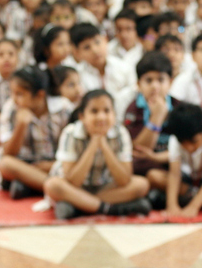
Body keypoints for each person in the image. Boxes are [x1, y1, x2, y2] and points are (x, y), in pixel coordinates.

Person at [43, 89, 152, 220]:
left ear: (114, 114)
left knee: (141, 185)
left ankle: (80, 206)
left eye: (107, 111)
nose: (101, 117)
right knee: (53, 185)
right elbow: (73, 181)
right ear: (82, 116)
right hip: (76, 188)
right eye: (94, 111)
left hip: (105, 188)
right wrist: (93, 144)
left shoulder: (120, 133)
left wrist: (104, 146)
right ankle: (110, 209)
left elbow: (124, 180)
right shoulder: (70, 133)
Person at [0, 66, 75, 199]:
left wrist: (50, 165)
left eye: (20, 94)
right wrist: (21, 125)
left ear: (40, 95)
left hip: (55, 164)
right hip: (25, 165)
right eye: (12, 93)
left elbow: (71, 148)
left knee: (72, 169)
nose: (14, 99)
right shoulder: (11, 108)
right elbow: (8, 153)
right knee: (5, 164)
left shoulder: (63, 108)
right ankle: (61, 190)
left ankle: (30, 186)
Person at [150, 102, 202, 216]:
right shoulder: (176, 137)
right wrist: (172, 206)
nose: (189, 148)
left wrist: (193, 207)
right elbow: (174, 175)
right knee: (154, 176)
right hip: (189, 183)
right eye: (184, 144)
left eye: (194, 142)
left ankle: (195, 199)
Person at [69, 23, 134, 96]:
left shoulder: (124, 67)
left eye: (97, 42)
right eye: (86, 47)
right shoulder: (77, 76)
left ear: (105, 40)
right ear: (77, 53)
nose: (95, 50)